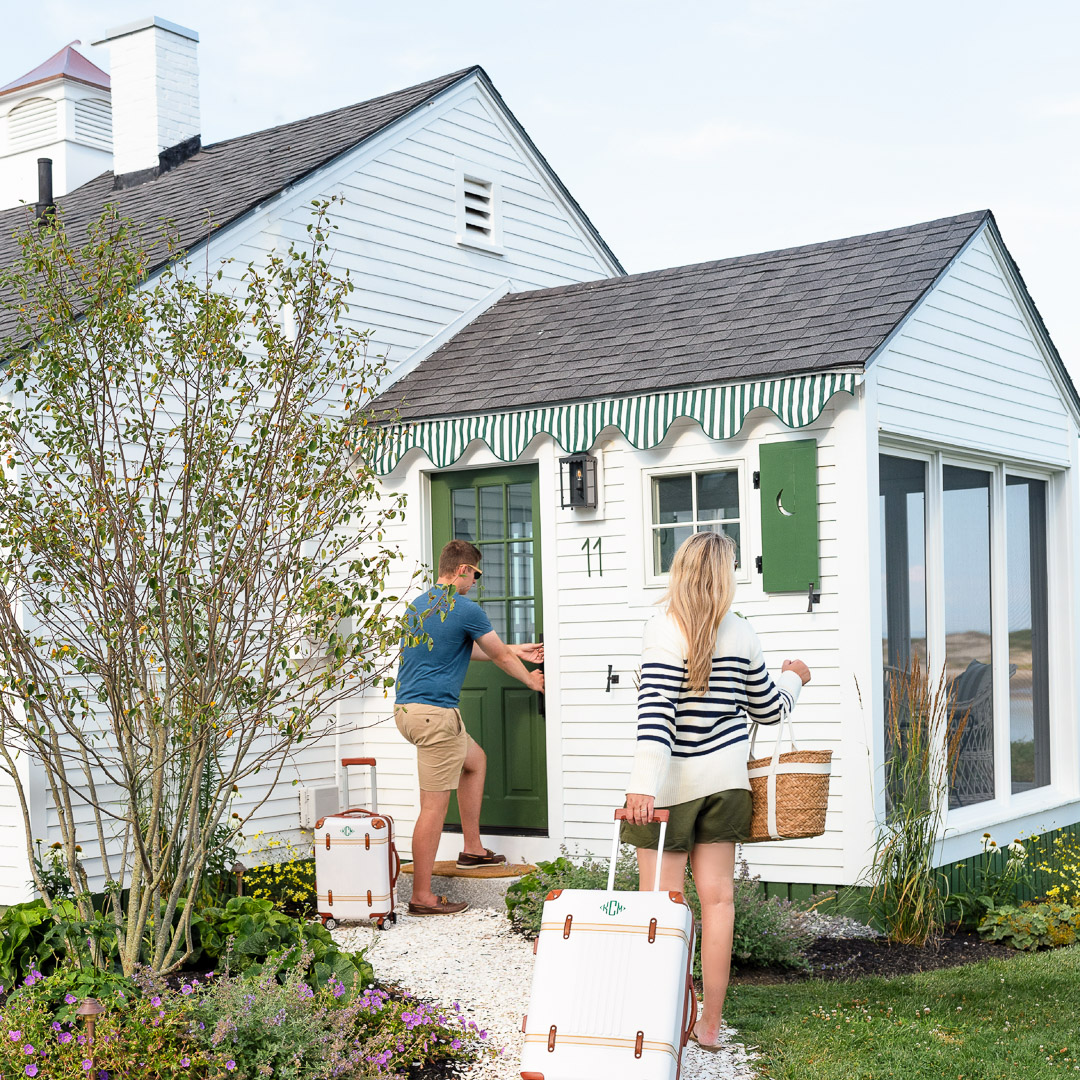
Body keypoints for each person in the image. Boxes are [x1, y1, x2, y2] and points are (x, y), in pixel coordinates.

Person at [621, 531, 811, 1049]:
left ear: (679, 571)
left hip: (670, 788)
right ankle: (708, 1025)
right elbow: (770, 710)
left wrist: (642, 785)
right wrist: (795, 678)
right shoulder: (741, 632)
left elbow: (656, 717)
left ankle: (661, 1015)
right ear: (724, 576)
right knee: (719, 902)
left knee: (661, 905)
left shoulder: (663, 627)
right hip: (726, 783)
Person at [395, 538, 545, 916]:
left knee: (475, 761)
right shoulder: (464, 607)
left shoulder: (420, 606)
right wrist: (531, 680)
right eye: (475, 574)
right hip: (435, 717)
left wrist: (518, 648)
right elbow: (494, 653)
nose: (476, 581)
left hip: (410, 712)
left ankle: (473, 849)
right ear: (462, 570)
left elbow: (463, 646)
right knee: (433, 809)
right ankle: (422, 896)